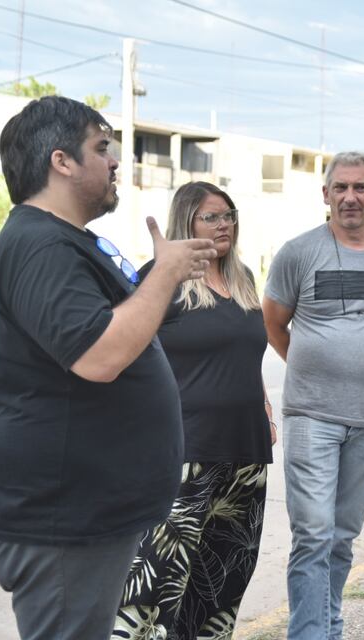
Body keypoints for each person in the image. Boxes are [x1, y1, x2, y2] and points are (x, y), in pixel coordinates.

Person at [0, 96, 216, 640]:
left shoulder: (66, 241)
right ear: (62, 162)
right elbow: (100, 355)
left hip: (80, 513)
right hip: (60, 518)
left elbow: (116, 325)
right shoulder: (40, 246)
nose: (114, 161)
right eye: (101, 147)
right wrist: (164, 275)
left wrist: (165, 278)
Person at [263, 151, 364, 639]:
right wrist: (318, 368)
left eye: (360, 188)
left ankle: (326, 623)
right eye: (341, 188)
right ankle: (311, 634)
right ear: (326, 195)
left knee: (341, 537)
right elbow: (274, 322)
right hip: (311, 414)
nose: (350, 197)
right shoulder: (298, 252)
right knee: (312, 535)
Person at [113, 181, 276, 639]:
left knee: (220, 584)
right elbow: (121, 347)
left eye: (229, 214)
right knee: (154, 587)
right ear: (187, 220)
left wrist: (263, 402)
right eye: (212, 216)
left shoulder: (242, 279)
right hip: (185, 452)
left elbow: (245, 355)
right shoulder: (162, 276)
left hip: (246, 453)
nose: (224, 224)